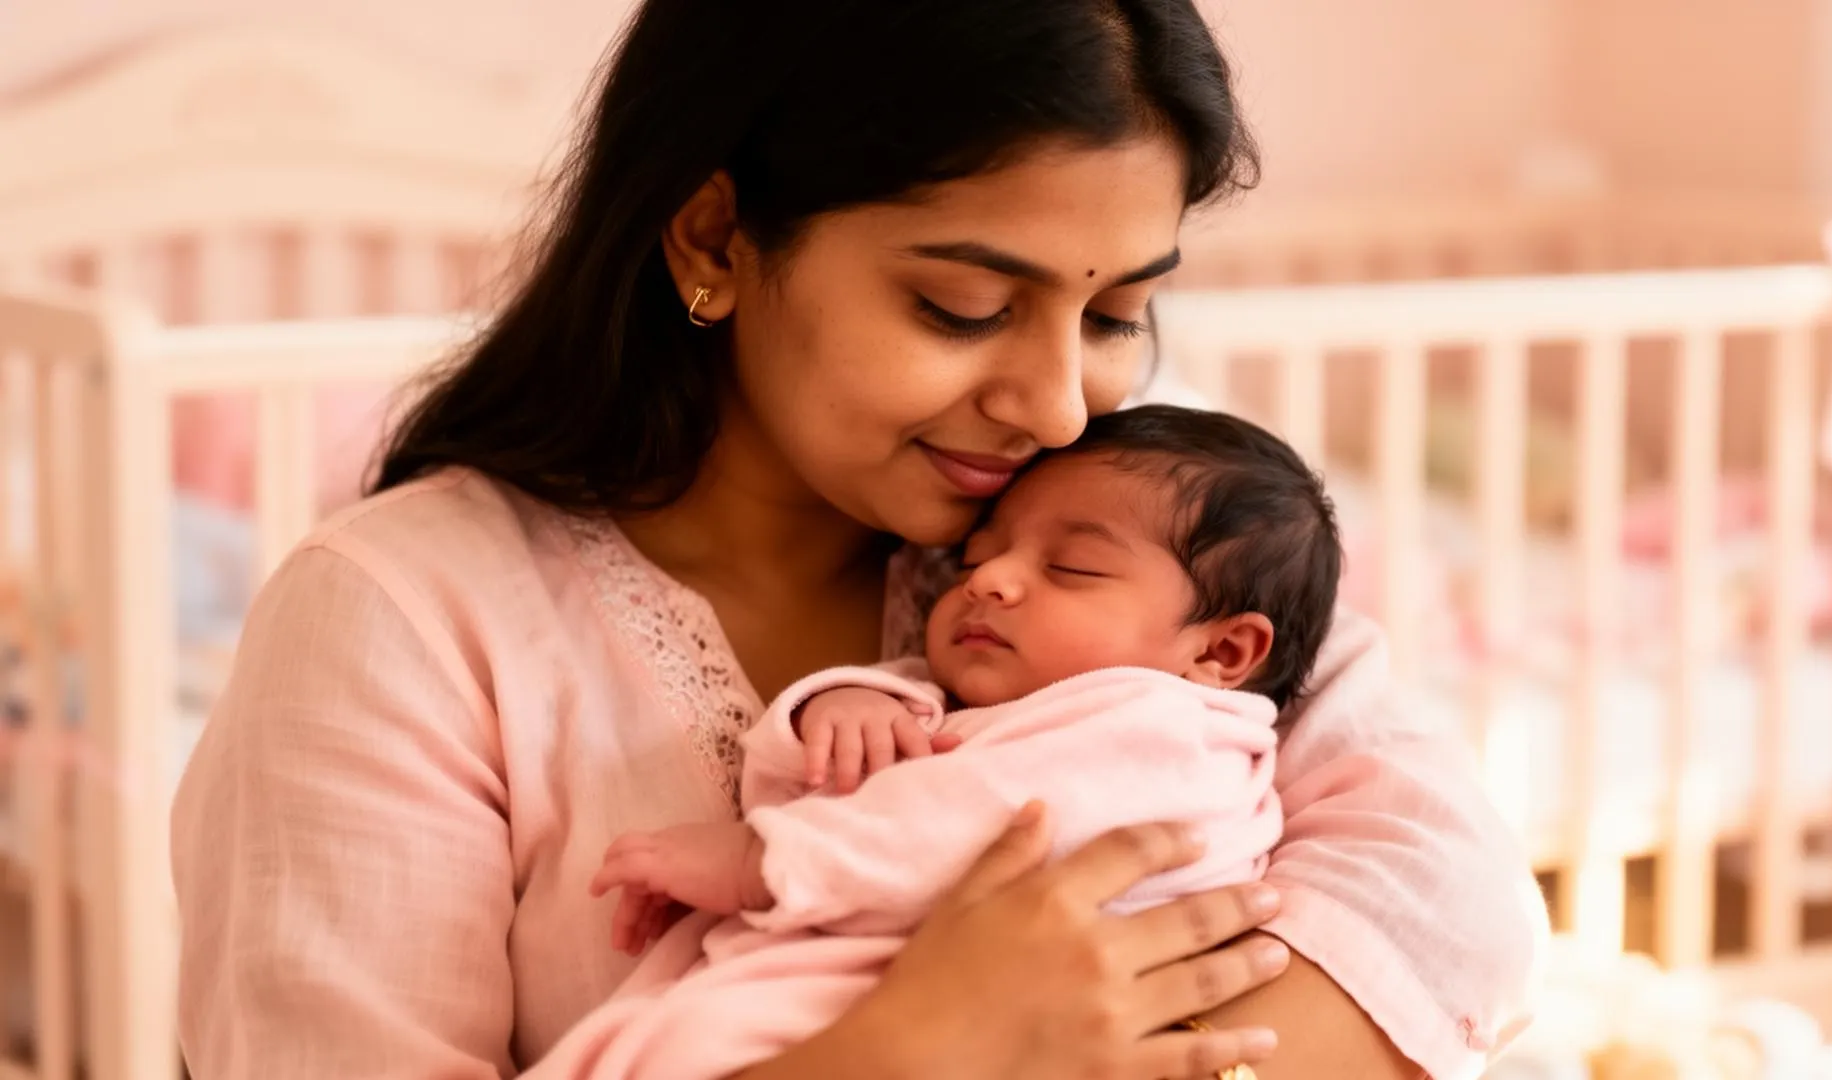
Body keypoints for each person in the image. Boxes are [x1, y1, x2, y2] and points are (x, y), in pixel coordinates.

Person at [169, 2, 1547, 1078]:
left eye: (1117, 314)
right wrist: (909, 1055)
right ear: (714, 233)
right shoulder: (404, 624)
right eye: (960, 306)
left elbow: (1450, 899)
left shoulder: (1124, 552)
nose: (1055, 400)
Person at [574, 406, 1341, 1080]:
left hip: (991, 1004)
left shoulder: (1176, 739)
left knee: (671, 1045)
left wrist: (760, 863)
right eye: (975, 557)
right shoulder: (996, 696)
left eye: (1071, 567)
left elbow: (974, 818)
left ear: (1224, 654)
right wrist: (841, 705)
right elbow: (841, 771)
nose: (989, 579)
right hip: (908, 995)